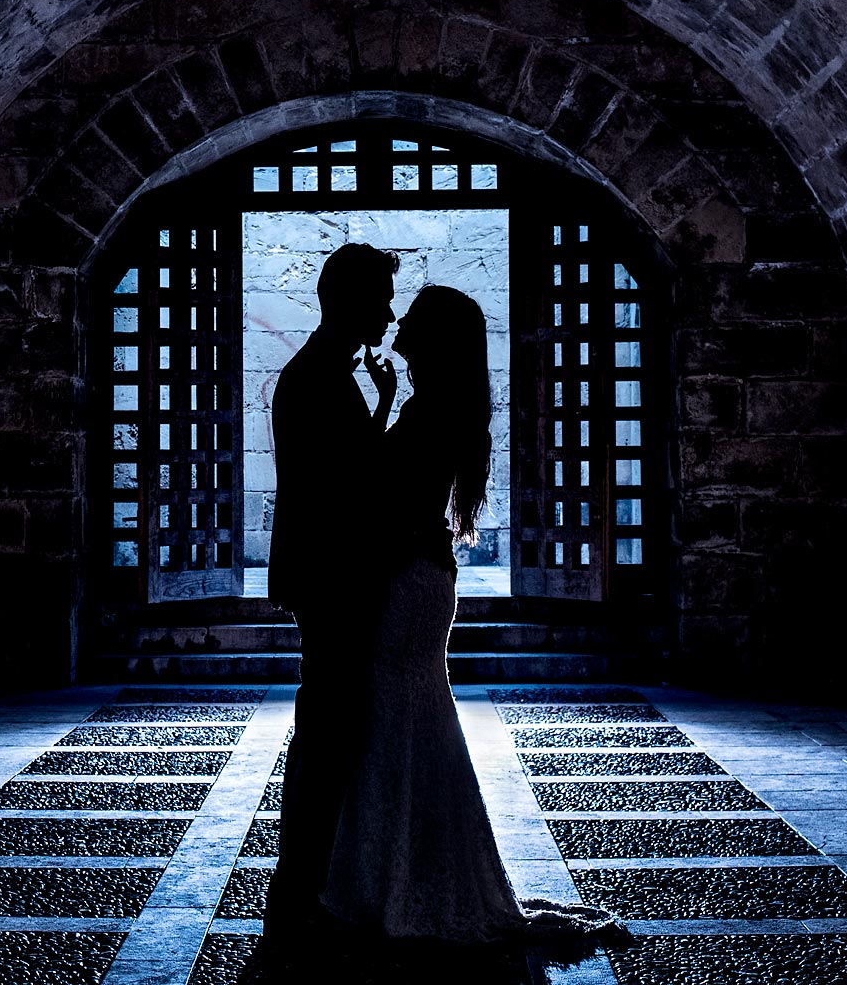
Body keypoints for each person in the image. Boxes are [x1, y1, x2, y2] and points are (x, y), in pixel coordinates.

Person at [318, 284, 619, 944]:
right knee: (416, 723)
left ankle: (395, 881)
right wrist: (390, 402)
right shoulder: (442, 409)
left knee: (397, 724)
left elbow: (386, 498)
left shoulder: (430, 414)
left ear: (434, 342)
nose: (397, 334)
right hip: (423, 581)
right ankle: (415, 871)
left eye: (412, 327)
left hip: (407, 583)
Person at [263, 241, 399, 939]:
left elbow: (345, 470)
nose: (389, 312)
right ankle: (302, 886)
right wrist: (387, 410)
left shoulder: (319, 372)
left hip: (325, 573)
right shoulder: (318, 377)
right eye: (380, 298)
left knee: (327, 722)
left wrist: (378, 405)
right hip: (333, 576)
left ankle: (306, 881)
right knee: (327, 728)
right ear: (349, 300)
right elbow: (351, 485)